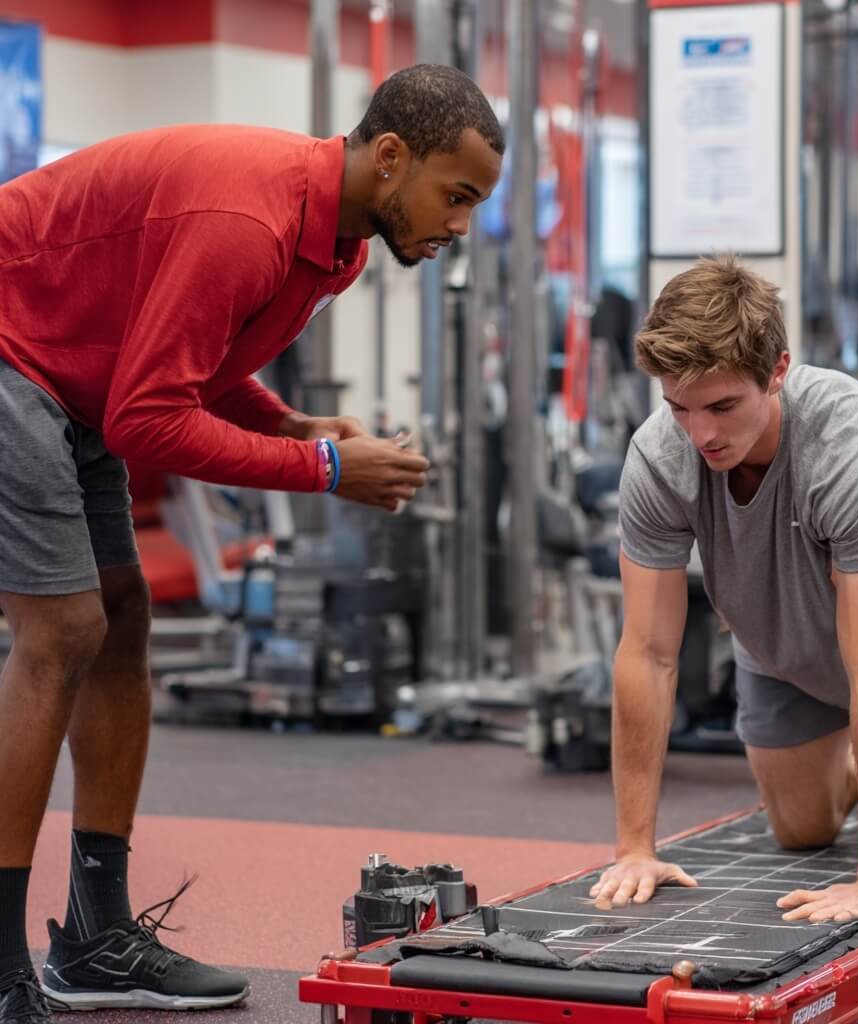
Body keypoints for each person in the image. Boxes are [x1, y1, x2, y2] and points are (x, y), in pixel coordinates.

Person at [0, 63, 503, 1022]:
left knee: (120, 622)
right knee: (61, 632)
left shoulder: (340, 249)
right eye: (458, 195)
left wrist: (295, 426)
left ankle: (97, 940)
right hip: (12, 348)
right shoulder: (254, 223)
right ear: (391, 158)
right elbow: (151, 422)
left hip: (75, 379)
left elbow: (196, 368)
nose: (460, 223)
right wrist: (320, 468)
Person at [591, 255, 858, 926]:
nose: (701, 432)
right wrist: (634, 849)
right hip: (773, 618)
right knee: (801, 829)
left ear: (779, 372)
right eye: (680, 407)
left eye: (723, 406)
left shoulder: (852, 450)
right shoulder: (659, 457)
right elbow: (648, 654)